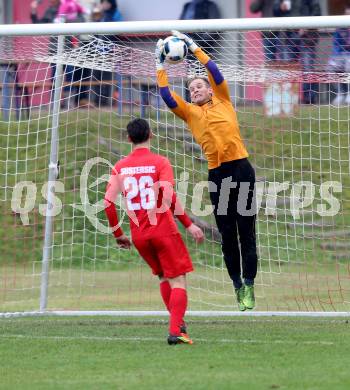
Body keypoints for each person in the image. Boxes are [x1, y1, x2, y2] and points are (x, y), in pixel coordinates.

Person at [155, 32, 258, 311]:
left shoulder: (224, 99)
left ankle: (249, 284)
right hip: (218, 176)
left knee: (247, 232)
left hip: (241, 170)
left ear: (211, 90)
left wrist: (193, 47)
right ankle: (237, 286)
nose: (195, 90)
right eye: (191, 89)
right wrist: (160, 65)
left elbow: (214, 70)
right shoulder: (189, 112)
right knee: (227, 235)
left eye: (200, 86)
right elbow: (166, 94)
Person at [104, 118, 204, 345]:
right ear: (151, 134)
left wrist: (118, 234)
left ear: (129, 139)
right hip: (163, 230)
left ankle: (178, 324)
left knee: (163, 277)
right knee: (178, 280)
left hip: (139, 235)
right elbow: (168, 197)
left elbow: (108, 203)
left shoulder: (119, 167)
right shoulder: (160, 162)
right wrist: (188, 224)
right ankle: (176, 330)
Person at [273, 0, 321, 104]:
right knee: (287, 69)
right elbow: (275, 10)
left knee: (308, 68)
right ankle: (288, 101)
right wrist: (279, 7)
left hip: (307, 36)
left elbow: (317, 10)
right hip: (287, 36)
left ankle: (309, 99)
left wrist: (306, 26)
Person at [327, 5, 350, 105]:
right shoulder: (340, 29)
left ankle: (349, 93)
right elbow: (336, 45)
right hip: (340, 55)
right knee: (330, 67)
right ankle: (340, 93)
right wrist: (335, 57)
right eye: (346, 14)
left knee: (348, 65)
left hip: (349, 57)